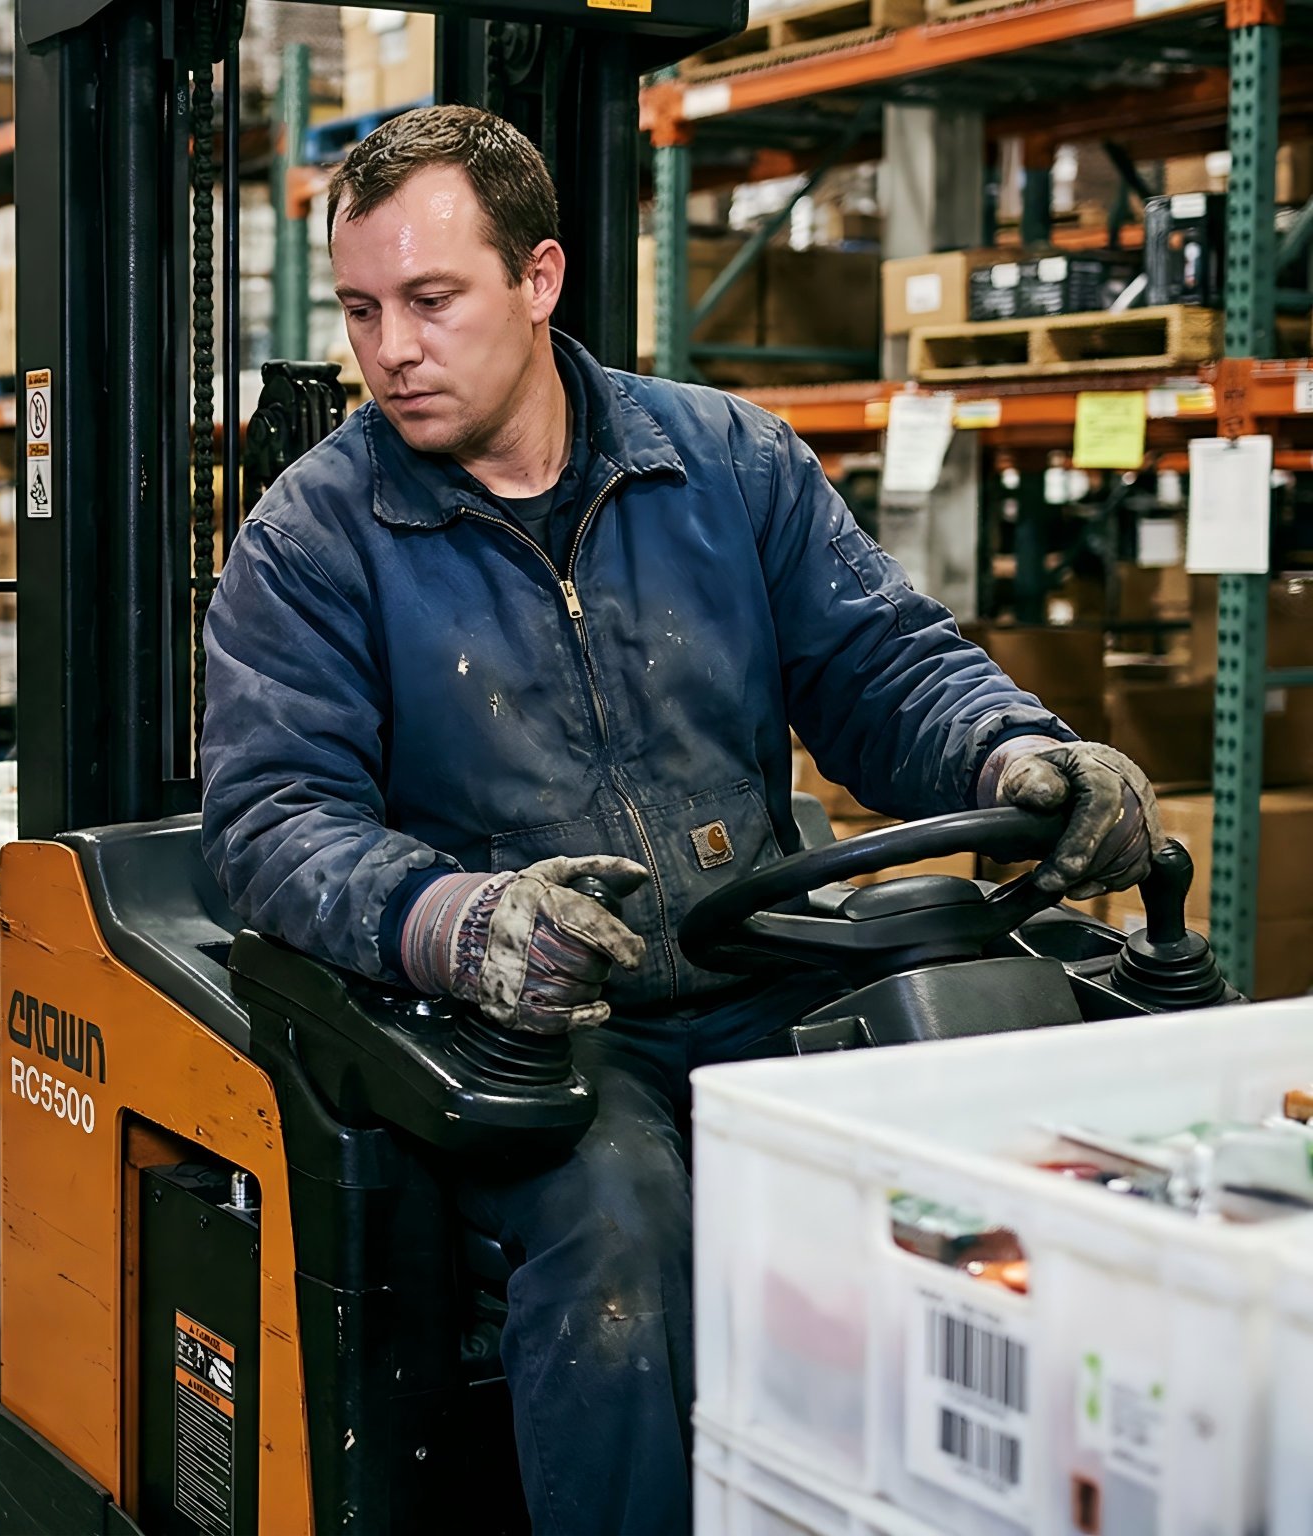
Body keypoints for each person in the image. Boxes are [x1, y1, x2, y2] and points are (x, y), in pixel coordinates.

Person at [198, 106, 1158, 1535]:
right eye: (360, 309)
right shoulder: (313, 538)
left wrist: (1019, 752)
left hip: (759, 970)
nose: (387, 347)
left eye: (430, 300)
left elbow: (886, 671)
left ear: (539, 279)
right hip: (533, 1035)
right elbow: (273, 816)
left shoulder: (728, 466)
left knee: (1033, 1120)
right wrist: (457, 920)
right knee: (621, 1237)